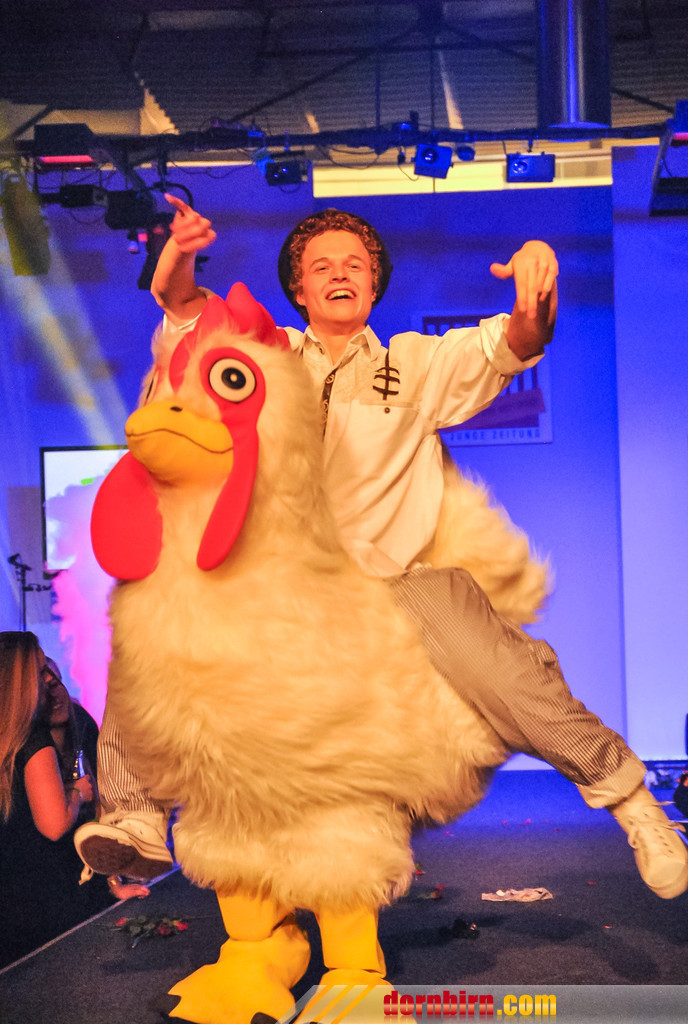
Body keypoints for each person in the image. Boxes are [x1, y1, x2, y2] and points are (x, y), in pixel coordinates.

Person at [75, 199, 688, 903]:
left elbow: (518, 338)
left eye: (355, 265)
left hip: (387, 579)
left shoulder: (417, 363)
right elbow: (181, 305)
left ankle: (631, 801)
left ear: (374, 283)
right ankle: (134, 817)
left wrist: (536, 289)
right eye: (321, 266)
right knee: (152, 615)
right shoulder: (263, 353)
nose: (340, 275)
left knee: (498, 662)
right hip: (273, 583)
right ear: (298, 287)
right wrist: (179, 252)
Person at [0, 632, 96, 966]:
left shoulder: (8, 741)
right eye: (40, 670)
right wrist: (77, 793)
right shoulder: (34, 740)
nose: (49, 679)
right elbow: (54, 825)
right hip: (42, 906)